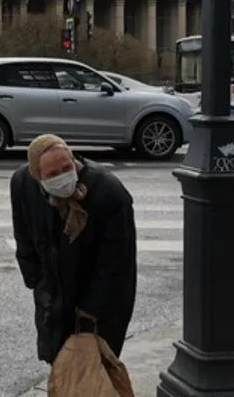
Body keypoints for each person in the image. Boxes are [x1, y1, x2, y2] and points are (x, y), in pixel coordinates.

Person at [10, 134, 138, 364]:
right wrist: (39, 284)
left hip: (100, 307)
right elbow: (24, 238)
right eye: (51, 175)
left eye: (66, 168)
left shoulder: (109, 192)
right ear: (37, 176)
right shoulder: (22, 183)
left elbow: (117, 263)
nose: (62, 177)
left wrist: (92, 311)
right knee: (61, 365)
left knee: (94, 372)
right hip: (54, 296)